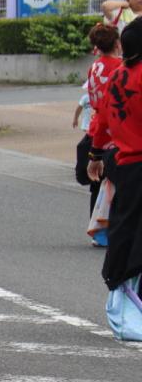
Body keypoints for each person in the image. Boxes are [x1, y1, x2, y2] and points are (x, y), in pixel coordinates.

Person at [90, 19, 142, 294]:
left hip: (125, 163)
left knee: (126, 227)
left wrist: (95, 154)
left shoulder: (118, 76)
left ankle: (121, 287)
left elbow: (102, 119)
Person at [77, 24, 122, 244]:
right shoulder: (120, 67)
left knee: (98, 182)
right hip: (113, 128)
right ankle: (110, 229)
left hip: (96, 125)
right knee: (114, 181)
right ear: (117, 43)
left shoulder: (94, 67)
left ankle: (97, 228)